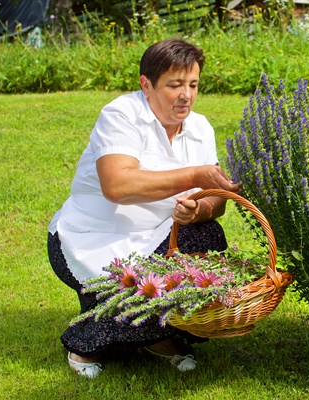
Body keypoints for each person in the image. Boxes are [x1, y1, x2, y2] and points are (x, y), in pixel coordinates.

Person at [47, 38, 240, 378]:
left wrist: (197, 211)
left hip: (157, 238)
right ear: (146, 84)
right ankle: (87, 341)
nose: (186, 96)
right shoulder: (121, 114)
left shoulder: (200, 126)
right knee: (146, 282)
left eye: (193, 85)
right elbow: (117, 186)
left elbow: (217, 199)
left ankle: (156, 334)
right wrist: (194, 174)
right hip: (91, 240)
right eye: (174, 85)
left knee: (207, 235)